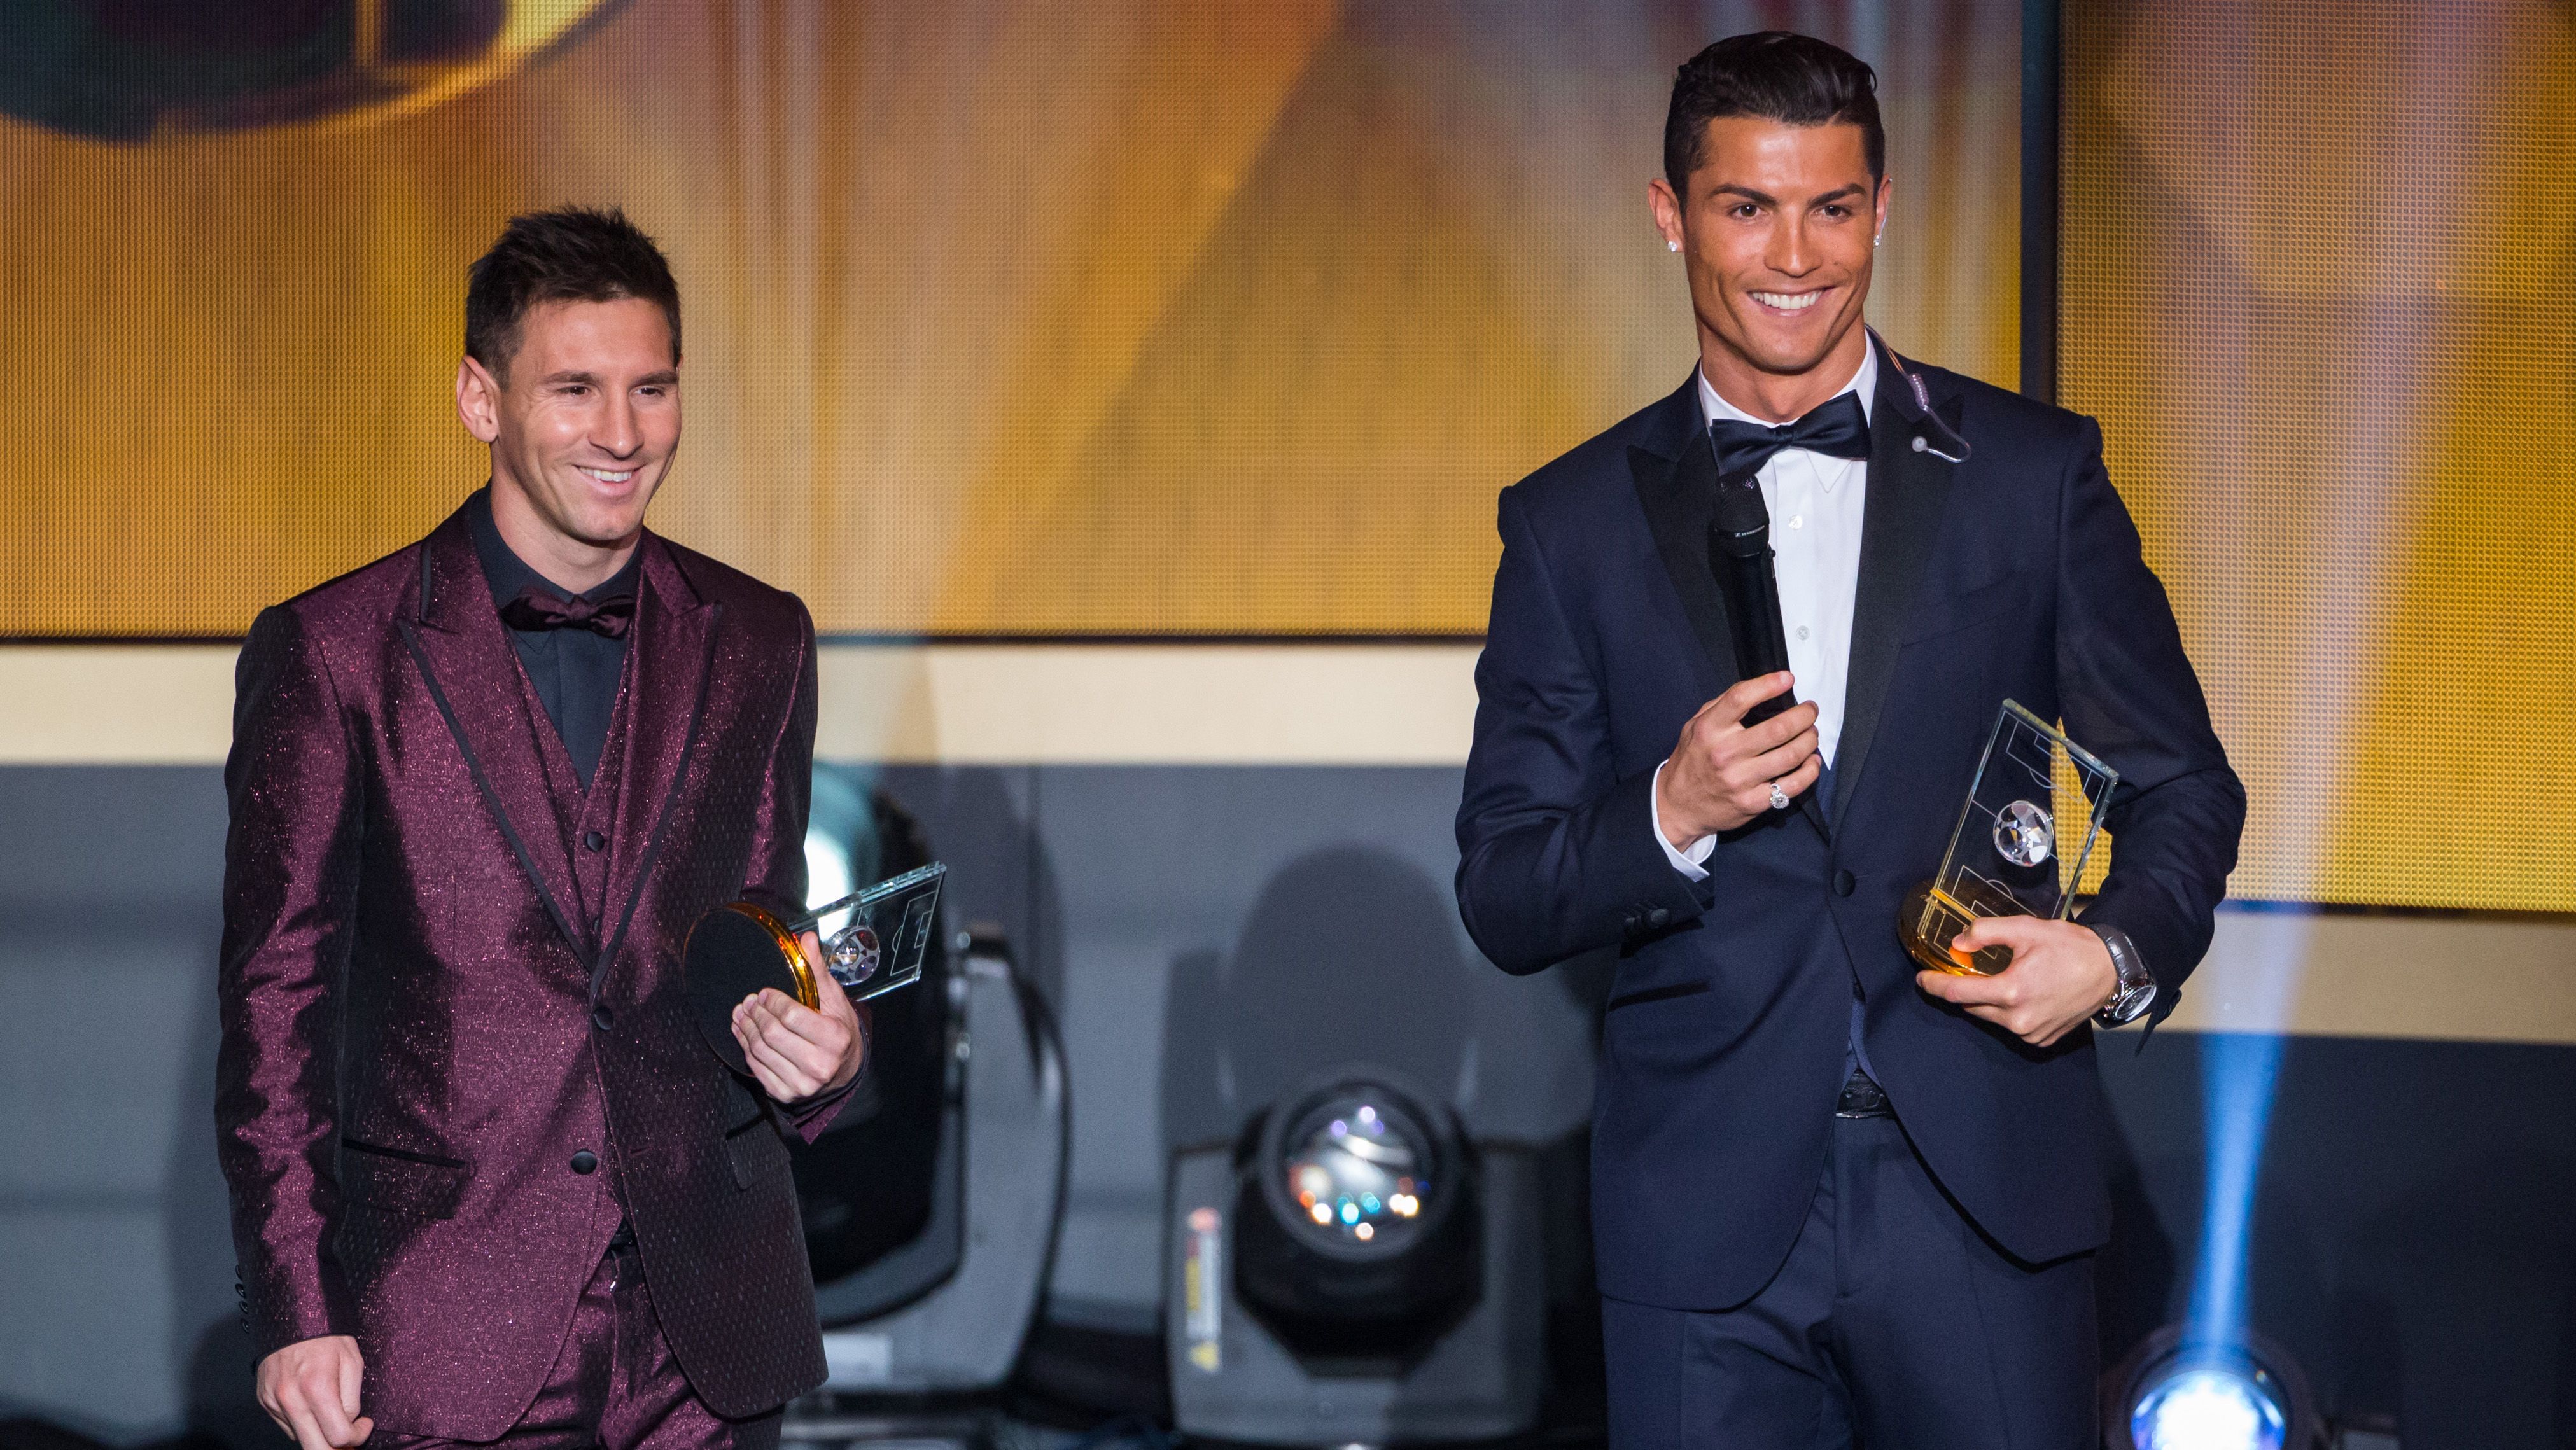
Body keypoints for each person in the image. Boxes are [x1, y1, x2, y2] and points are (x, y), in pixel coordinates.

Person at [1453, 33, 2244, 1447]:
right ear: (1668, 212)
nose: (1792, 254)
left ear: (1878, 210)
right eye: (1745, 206)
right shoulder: (1567, 523)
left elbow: (2182, 783)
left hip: (1984, 1192)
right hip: (1700, 1219)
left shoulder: (2027, 474)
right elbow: (1505, 889)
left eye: (1830, 207)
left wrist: (2113, 957)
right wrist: (1669, 809)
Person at [217, 206, 867, 1450]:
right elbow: (274, 1003)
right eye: (574, 388)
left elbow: (759, 933)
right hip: (441, 1330)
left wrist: (830, 1057)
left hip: (708, 1337)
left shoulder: (761, 638)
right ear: (481, 398)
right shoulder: (336, 652)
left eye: (651, 388)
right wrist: (296, 1304)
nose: (621, 434)